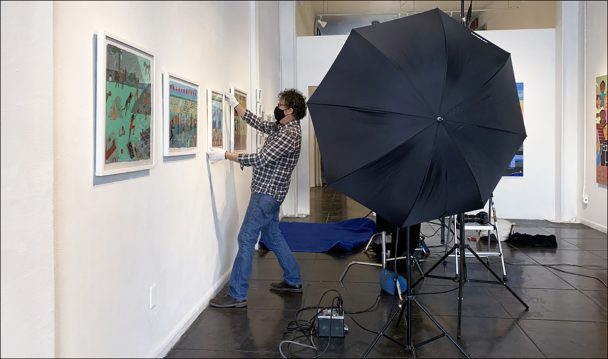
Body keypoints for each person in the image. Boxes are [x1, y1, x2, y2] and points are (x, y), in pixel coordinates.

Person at [206, 89, 307, 308]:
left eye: (280, 106)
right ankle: (293, 279)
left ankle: (237, 294)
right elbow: (261, 124)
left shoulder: (289, 135)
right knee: (273, 235)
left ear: (290, 110)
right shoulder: (284, 127)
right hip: (272, 193)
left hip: (266, 195)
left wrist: (225, 155)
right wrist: (235, 105)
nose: (276, 108)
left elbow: (260, 158)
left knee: (245, 238)